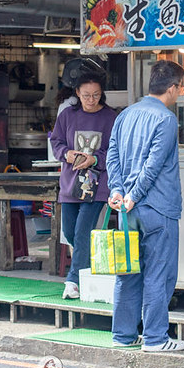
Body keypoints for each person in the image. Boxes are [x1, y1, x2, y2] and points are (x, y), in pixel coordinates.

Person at [105, 60, 184, 352]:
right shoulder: (165, 120)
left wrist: (119, 191)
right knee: (158, 274)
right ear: (173, 88)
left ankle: (123, 335)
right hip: (157, 208)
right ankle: (155, 338)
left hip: (127, 211)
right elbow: (153, 165)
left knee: (128, 273)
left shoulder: (125, 115)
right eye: (180, 88)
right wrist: (135, 195)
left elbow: (111, 156)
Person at [48, 71, 116, 300]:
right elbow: (56, 141)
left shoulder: (110, 117)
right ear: (77, 93)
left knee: (82, 231)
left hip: (98, 185)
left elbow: (116, 151)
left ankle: (73, 280)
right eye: (86, 95)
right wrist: (66, 154)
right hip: (70, 182)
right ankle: (88, 272)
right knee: (69, 232)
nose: (91, 99)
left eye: (96, 95)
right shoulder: (67, 115)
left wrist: (95, 159)